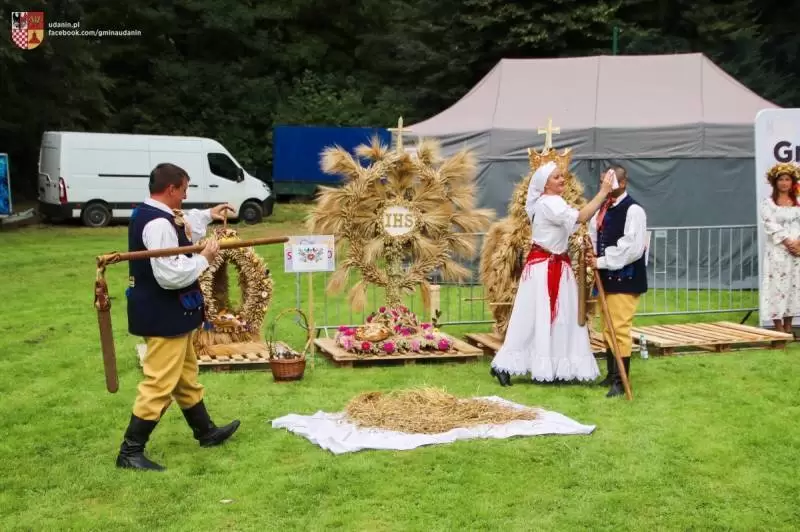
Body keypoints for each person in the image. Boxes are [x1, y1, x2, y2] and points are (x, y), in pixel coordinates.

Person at [116, 162, 240, 471]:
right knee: (159, 383)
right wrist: (204, 259)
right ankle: (130, 452)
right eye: (183, 190)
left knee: (185, 376)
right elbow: (170, 275)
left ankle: (206, 432)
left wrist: (209, 214)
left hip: (171, 313)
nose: (185, 196)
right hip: (163, 315)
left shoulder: (152, 213)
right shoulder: (158, 224)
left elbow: (182, 223)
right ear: (171, 189)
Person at [490, 161, 614, 386]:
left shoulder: (549, 203)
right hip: (545, 269)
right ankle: (505, 364)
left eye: (561, 176)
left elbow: (572, 226)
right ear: (544, 184)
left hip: (552, 266)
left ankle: (549, 366)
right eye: (556, 177)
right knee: (538, 317)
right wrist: (603, 192)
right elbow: (581, 217)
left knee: (550, 318)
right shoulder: (550, 203)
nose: (562, 179)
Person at [587, 165, 648, 398]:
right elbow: (594, 234)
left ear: (622, 183)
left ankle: (620, 381)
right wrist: (591, 252)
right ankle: (612, 374)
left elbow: (631, 248)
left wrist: (601, 261)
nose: (604, 185)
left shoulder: (634, 210)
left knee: (619, 328)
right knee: (607, 328)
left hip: (625, 278)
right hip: (606, 277)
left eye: (609, 182)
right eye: (602, 181)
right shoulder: (604, 207)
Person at [759, 163, 800, 336]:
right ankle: (778, 327)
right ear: (775, 182)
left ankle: (789, 325)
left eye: (787, 179)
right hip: (777, 251)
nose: (784, 183)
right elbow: (770, 224)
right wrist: (787, 241)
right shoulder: (768, 203)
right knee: (777, 286)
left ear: (792, 182)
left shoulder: (797, 202)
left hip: (796, 252)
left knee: (793, 285)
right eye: (781, 179)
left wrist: (798, 243)